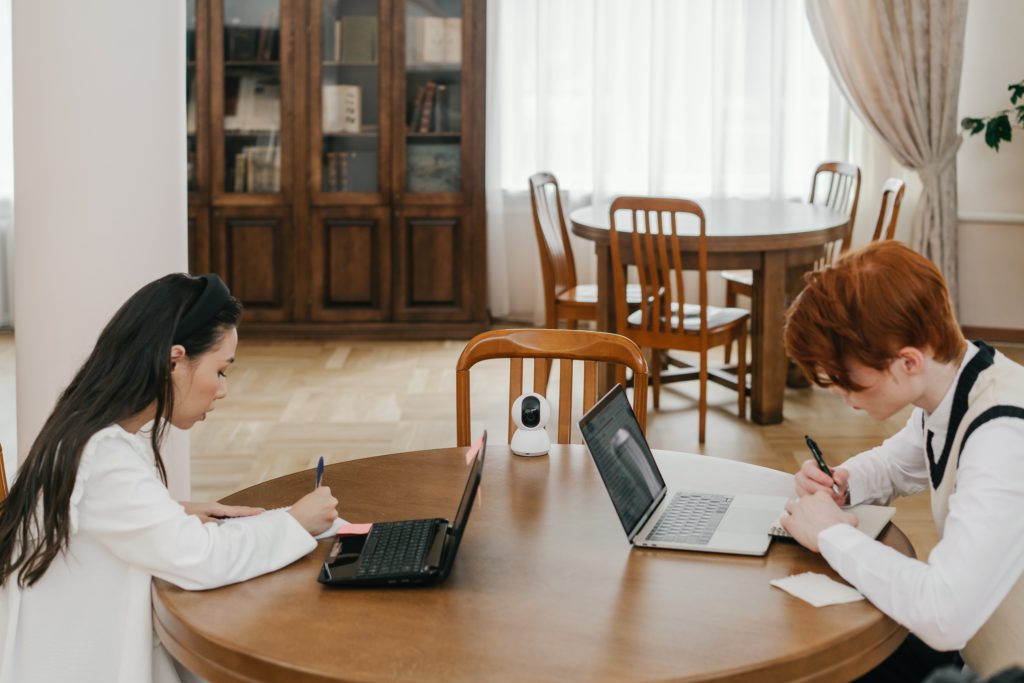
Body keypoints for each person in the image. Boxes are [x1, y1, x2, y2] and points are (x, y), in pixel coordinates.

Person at [0, 273, 340, 683]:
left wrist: (171, 511)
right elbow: (198, 559)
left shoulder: (86, 430)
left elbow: (94, 516)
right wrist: (295, 522)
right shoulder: (105, 455)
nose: (222, 390)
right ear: (173, 360)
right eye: (221, 370)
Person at [780, 240, 1024, 681]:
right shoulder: (956, 385)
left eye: (846, 379)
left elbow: (943, 613)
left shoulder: (1002, 437)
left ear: (908, 361)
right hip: (979, 651)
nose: (840, 393)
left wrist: (832, 534)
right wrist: (843, 482)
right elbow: (898, 463)